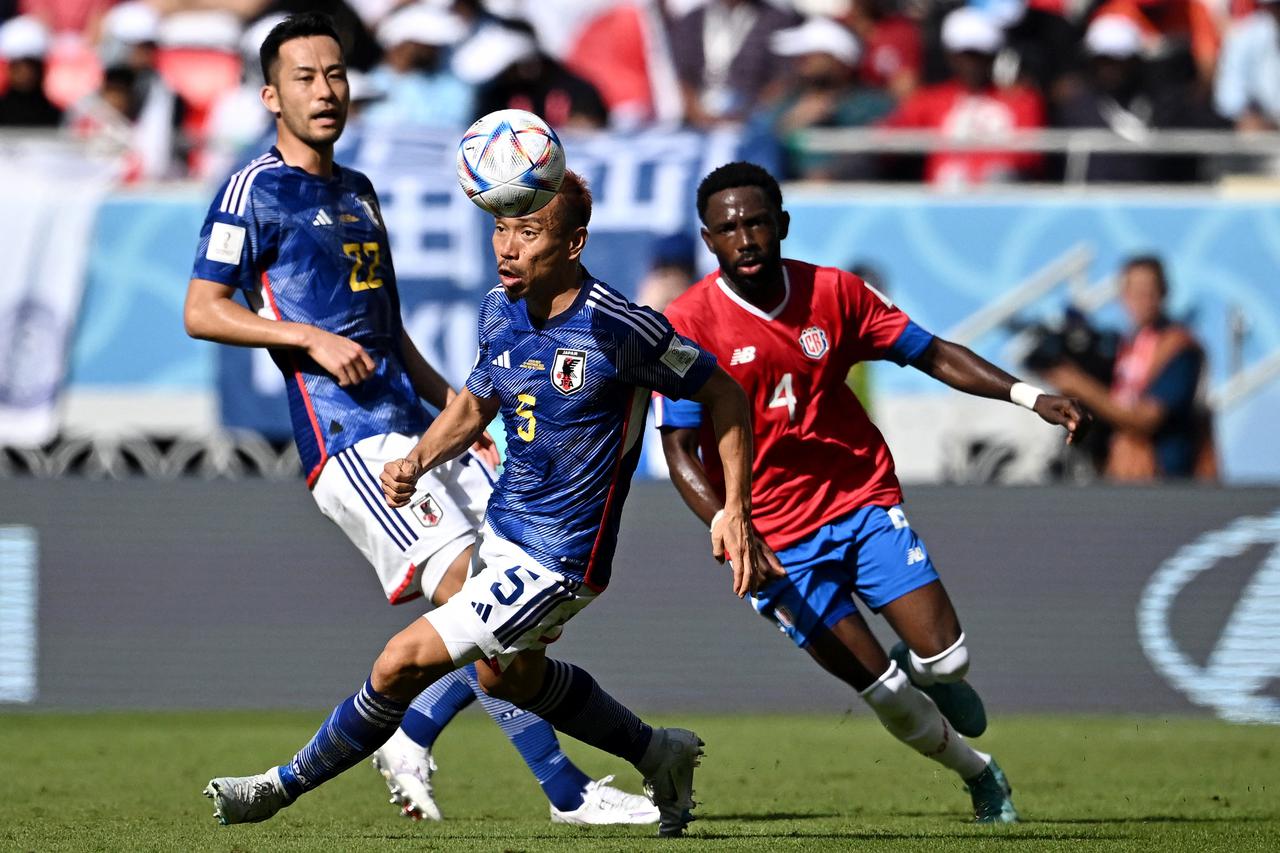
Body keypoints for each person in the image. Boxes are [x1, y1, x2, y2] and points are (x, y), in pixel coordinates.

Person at [193, 21, 769, 836]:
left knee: (423, 659)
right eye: (304, 76)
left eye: (335, 72)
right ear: (269, 94)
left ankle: (295, 782)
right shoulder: (257, 190)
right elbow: (204, 308)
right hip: (352, 434)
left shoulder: (612, 323)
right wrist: (409, 423)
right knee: (505, 670)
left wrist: (732, 506)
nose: (325, 89)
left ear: (571, 241)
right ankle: (633, 758)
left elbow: (718, 391)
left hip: (545, 541)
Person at [655, 162, 1089, 823]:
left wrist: (1029, 397)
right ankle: (981, 775)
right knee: (883, 690)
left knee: (951, 657)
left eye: (757, 222)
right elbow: (680, 448)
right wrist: (727, 522)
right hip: (772, 541)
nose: (744, 237)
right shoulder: (688, 322)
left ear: (783, 226)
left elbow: (932, 352)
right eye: (728, 227)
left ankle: (928, 672)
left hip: (856, 500)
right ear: (709, 239)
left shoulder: (835, 293)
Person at [1040, 255, 1216, 481]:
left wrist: (1079, 385)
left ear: (1164, 292)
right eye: (1134, 290)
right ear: (1122, 296)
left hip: (1168, 479)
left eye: (1149, 289)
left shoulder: (1179, 348)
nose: (1142, 298)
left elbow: (1146, 419)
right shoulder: (1125, 346)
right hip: (1122, 474)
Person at [880, 6, 1044, 187]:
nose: (971, 64)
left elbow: (1031, 156)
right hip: (942, 201)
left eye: (979, 55)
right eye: (964, 55)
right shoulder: (931, 100)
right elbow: (887, 138)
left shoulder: (1019, 99)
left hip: (1001, 200)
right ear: (951, 57)